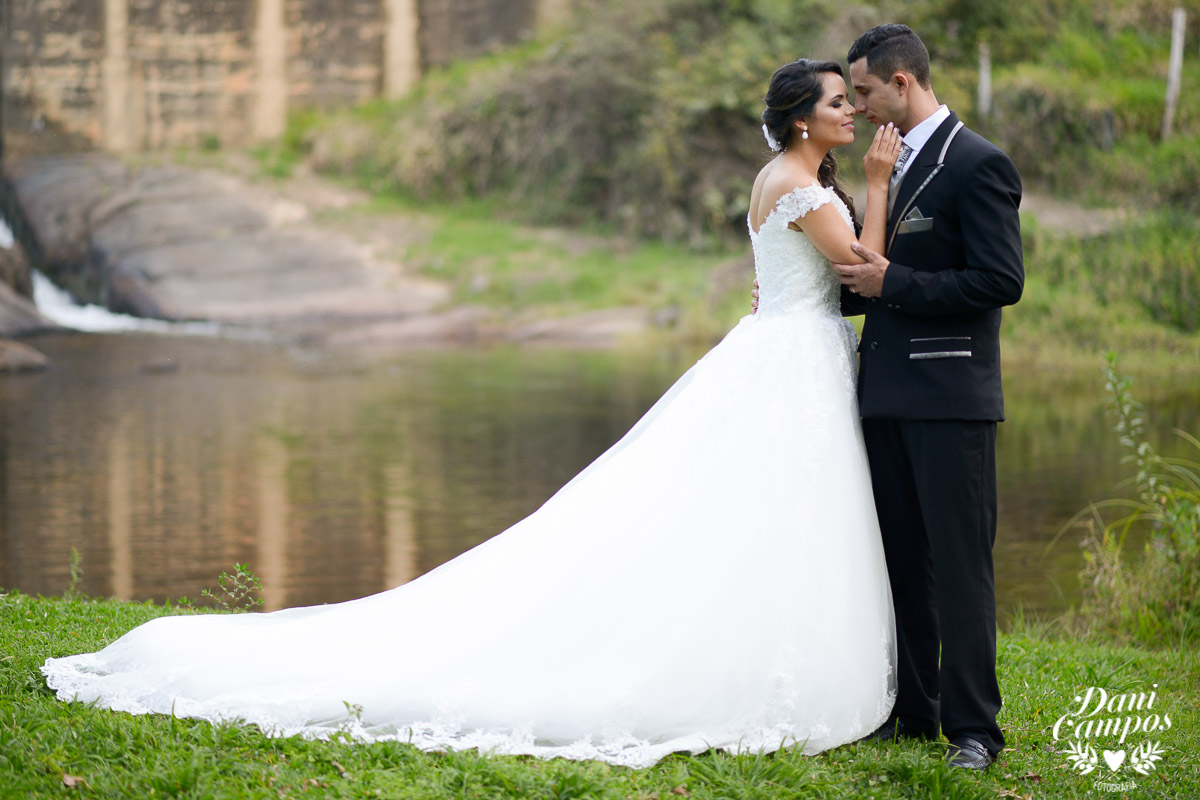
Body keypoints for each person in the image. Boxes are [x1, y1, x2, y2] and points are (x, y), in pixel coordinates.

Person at [43, 59, 901, 770]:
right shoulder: (808, 188)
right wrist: (877, 184)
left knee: (762, 514)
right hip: (791, 358)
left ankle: (754, 642)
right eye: (837, 104)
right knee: (772, 510)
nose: (851, 116)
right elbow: (867, 269)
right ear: (800, 122)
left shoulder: (780, 178)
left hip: (776, 351)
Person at [831, 24, 1024, 771]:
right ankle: (915, 712)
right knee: (902, 561)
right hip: (882, 397)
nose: (862, 108)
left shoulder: (977, 164)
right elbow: (874, 278)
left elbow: (999, 282)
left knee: (960, 567)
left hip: (951, 397)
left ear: (902, 84)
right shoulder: (888, 165)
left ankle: (975, 731)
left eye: (868, 93)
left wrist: (893, 285)